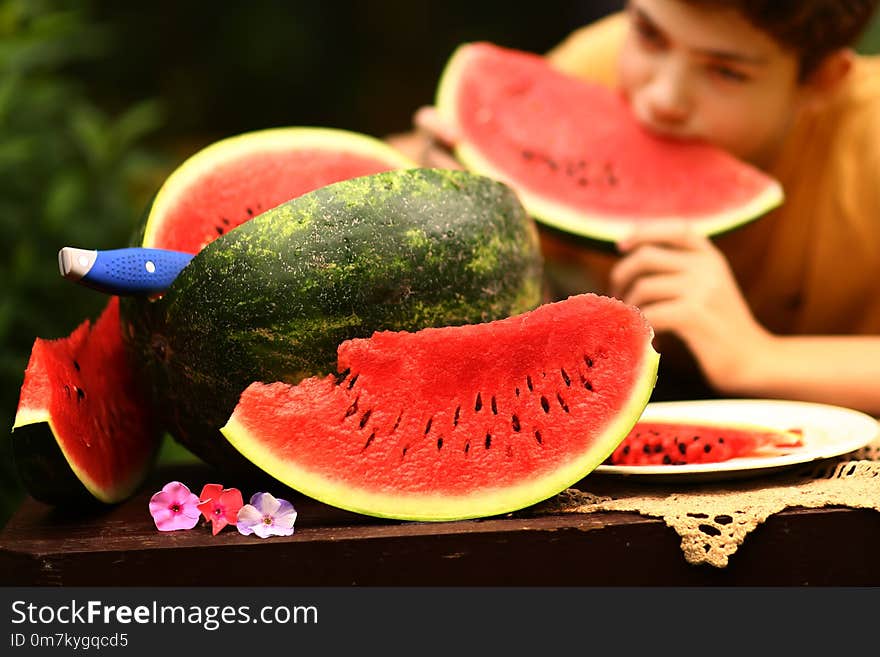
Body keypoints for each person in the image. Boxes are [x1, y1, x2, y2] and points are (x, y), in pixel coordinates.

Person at [388, 0, 880, 416]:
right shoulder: (598, 69)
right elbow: (394, 164)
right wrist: (437, 188)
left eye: (727, 72)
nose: (662, 98)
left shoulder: (869, 138)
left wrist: (757, 357)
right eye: (648, 35)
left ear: (821, 81)